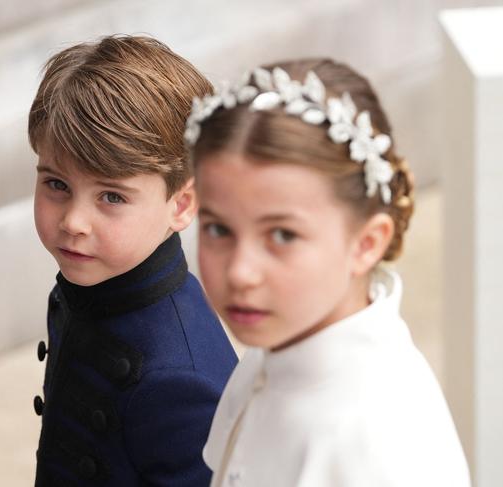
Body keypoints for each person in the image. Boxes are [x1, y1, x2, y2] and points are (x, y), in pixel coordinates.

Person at [186, 58, 471, 486]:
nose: (241, 273)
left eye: (282, 235)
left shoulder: (382, 449)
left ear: (366, 243)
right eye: (218, 229)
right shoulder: (276, 348)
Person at [28, 35, 238, 486]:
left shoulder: (180, 382)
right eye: (57, 185)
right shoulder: (89, 288)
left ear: (181, 205)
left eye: (111, 196)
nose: (74, 222)